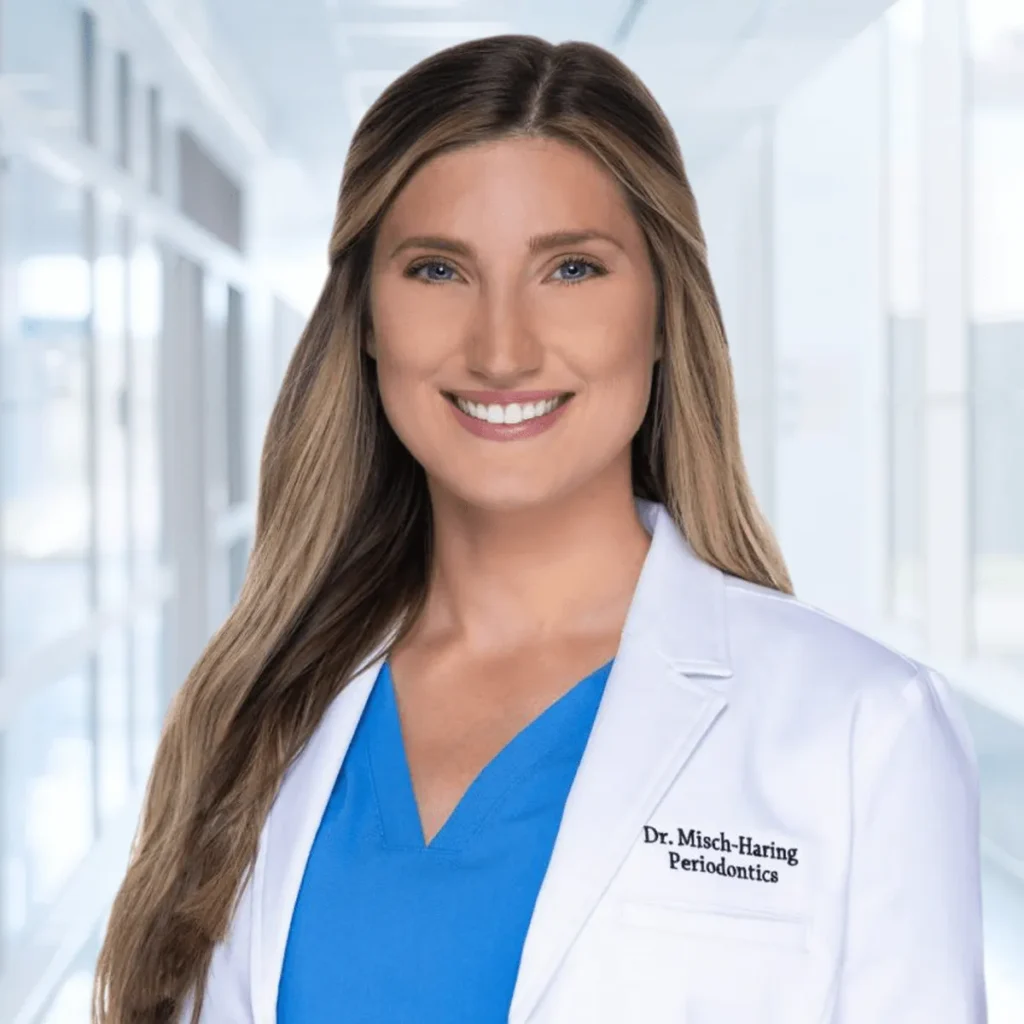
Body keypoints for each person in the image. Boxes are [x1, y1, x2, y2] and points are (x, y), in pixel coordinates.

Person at [92, 33, 987, 1024]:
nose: (502, 348)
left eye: (570, 268)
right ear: (365, 320)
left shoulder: (863, 732)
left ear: (660, 315)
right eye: (437, 270)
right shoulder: (254, 708)